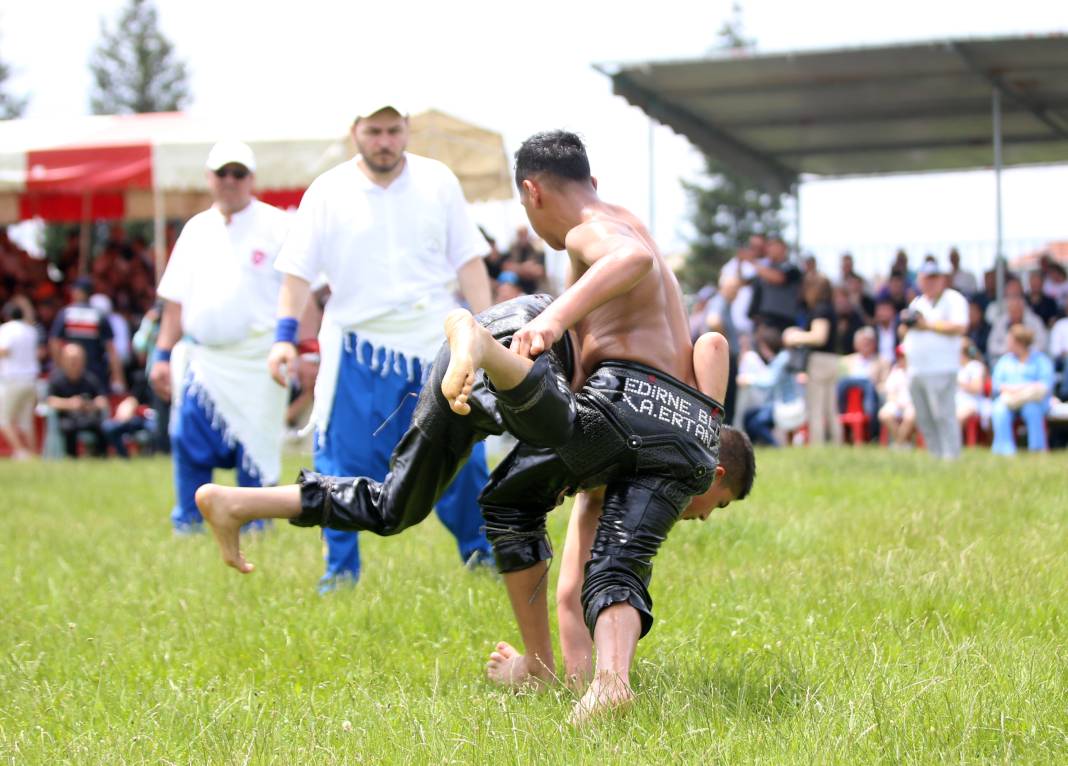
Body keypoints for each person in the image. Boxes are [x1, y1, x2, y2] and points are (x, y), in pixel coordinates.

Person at [195, 130, 757, 724]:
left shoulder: (592, 232)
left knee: (449, 504)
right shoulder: (611, 228)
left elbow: (660, 301)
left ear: (532, 193)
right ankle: (484, 351)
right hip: (540, 352)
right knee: (431, 504)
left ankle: (241, 501)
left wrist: (557, 323)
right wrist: (694, 411)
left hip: (564, 373)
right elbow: (654, 283)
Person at [267, 98, 495, 590]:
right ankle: (340, 575)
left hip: (435, 344)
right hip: (357, 350)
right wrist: (284, 339)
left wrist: (486, 333)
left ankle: (483, 559)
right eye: (374, 131)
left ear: (408, 129)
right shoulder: (327, 191)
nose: (385, 141)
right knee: (340, 465)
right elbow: (296, 274)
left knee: (462, 459)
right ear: (355, 131)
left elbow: (470, 263)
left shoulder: (439, 182)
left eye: (393, 130)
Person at [149, 140, 290, 534]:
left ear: (251, 179)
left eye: (238, 173)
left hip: (259, 358)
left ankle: (256, 527)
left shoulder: (278, 225)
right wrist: (161, 355)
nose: (230, 181)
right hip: (203, 358)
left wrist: (304, 348)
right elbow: (174, 302)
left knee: (254, 445)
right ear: (209, 179)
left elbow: (301, 296)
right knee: (185, 436)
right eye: (222, 174)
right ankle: (189, 523)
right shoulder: (196, 229)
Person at [901, 258, 969, 460]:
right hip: (917, 369)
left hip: (941, 368)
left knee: (943, 415)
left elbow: (959, 327)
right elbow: (907, 331)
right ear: (920, 281)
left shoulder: (953, 299)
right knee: (924, 417)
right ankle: (935, 456)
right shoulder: (918, 302)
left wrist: (927, 325)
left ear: (942, 280)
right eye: (926, 278)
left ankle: (951, 457)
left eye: (934, 278)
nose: (930, 283)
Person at [784, 275, 841, 445]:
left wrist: (794, 337)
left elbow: (819, 336)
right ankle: (837, 444)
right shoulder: (830, 308)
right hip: (831, 360)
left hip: (819, 361)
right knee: (831, 409)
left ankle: (818, 445)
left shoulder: (820, 309)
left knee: (815, 408)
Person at [50, 276, 124, 394]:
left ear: (77, 292)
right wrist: (118, 378)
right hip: (96, 372)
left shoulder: (66, 313)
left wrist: (60, 368)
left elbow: (54, 343)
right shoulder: (100, 315)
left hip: (70, 374)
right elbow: (111, 350)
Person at [990, 324, 1054, 455]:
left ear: (1020, 343)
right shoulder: (1005, 361)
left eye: (1010, 341)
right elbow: (997, 384)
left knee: (1032, 410)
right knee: (999, 409)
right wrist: (1011, 390)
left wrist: (1022, 388)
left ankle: (1037, 449)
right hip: (1010, 400)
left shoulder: (1040, 360)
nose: (1007, 345)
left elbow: (1046, 384)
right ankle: (1004, 450)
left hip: (1032, 399)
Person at [46, 343, 109, 458]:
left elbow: (102, 401)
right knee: (68, 428)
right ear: (63, 360)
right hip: (67, 418)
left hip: (87, 417)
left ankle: (100, 457)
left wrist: (88, 405)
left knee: (102, 427)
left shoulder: (90, 379)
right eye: (71, 359)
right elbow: (50, 401)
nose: (74, 363)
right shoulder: (56, 380)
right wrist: (70, 404)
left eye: (77, 359)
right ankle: (71, 458)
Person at [0, 300, 40, 458]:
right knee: (26, 422)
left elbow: (4, 350)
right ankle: (33, 454)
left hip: (13, 380)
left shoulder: (6, 329)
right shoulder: (31, 331)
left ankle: (22, 453)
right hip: (31, 380)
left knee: (3, 420)